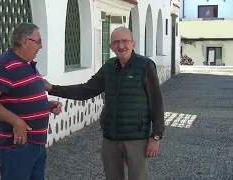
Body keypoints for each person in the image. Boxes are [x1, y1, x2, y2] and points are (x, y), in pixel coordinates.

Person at [44, 26, 165, 180]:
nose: (121, 46)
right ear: (111, 46)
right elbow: (86, 90)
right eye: (116, 42)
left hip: (136, 138)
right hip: (111, 139)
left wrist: (156, 136)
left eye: (125, 41)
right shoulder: (109, 66)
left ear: (133, 43)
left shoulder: (145, 66)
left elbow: (157, 103)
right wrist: (52, 88)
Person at [0, 22, 62, 180]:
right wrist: (17, 121)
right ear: (24, 41)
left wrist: (47, 105)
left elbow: (24, 94)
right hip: (18, 146)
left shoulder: (28, 64)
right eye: (38, 42)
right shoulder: (6, 65)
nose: (41, 46)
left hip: (37, 144)